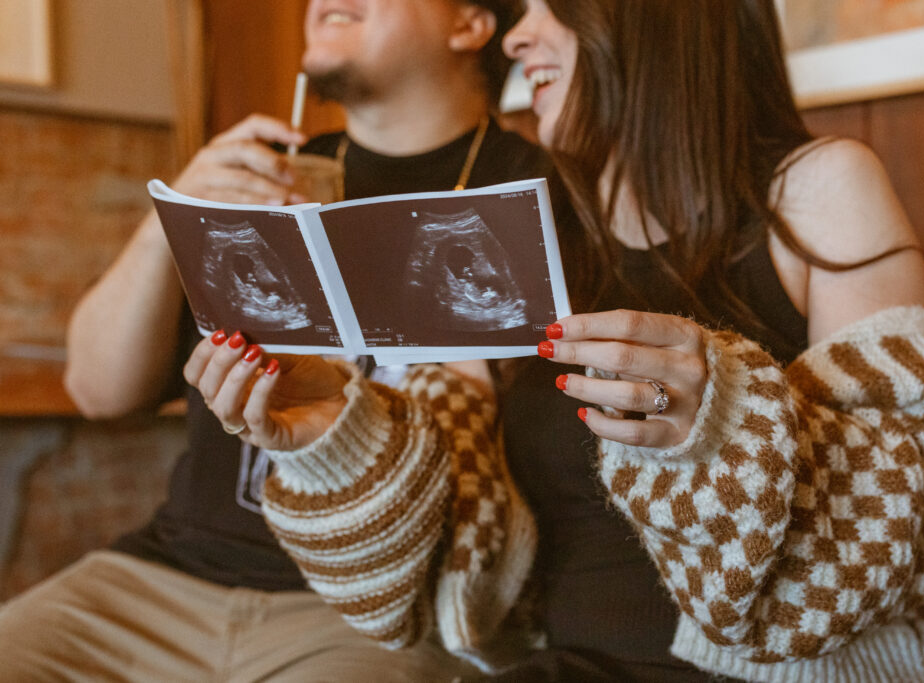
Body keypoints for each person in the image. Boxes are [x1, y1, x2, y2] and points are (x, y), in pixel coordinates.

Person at [175, 1, 924, 682]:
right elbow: (430, 547)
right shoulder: (522, 220)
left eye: (551, 5)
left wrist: (721, 426)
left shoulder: (813, 190)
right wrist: (330, 430)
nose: (518, 34)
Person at [0, 1, 566, 680]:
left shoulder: (544, 196)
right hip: (161, 578)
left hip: (371, 611)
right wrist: (170, 217)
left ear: (471, 25)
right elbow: (96, 390)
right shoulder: (256, 174)